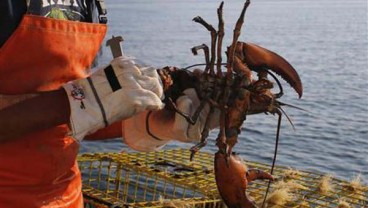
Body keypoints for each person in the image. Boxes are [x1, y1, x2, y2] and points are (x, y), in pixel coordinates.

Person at [0, 0, 216, 207]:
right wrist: (83, 100)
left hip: (66, 197)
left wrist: (150, 123)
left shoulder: (91, 4)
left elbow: (75, 117)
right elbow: (77, 103)